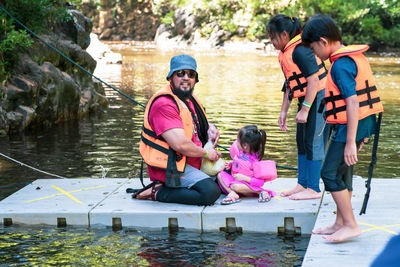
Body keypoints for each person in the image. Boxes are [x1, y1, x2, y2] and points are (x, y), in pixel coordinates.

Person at [302, 14, 383, 242]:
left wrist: (350, 142)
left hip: (353, 123)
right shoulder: (349, 58)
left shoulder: (340, 65)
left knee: (328, 172)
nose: (315, 55)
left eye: (314, 49)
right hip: (361, 122)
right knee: (342, 170)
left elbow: (353, 101)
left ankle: (350, 224)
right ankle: (340, 221)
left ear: (323, 41)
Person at [135, 54, 222, 205]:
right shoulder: (164, 104)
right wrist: (208, 153)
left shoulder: (189, 98)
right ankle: (157, 192)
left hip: (191, 160)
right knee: (210, 192)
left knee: (229, 176)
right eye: (180, 73)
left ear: (196, 79)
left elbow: (193, 123)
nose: (186, 77)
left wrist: (209, 128)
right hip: (170, 168)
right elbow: (180, 145)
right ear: (170, 78)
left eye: (191, 74)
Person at [267, 14, 330, 200]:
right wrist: (283, 111)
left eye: (273, 37)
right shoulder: (286, 53)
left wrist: (305, 108)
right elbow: (290, 83)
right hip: (307, 99)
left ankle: (314, 189)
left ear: (284, 34)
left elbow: (313, 79)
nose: (271, 42)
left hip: (320, 98)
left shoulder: (300, 50)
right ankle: (302, 184)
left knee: (313, 142)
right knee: (301, 141)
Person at [217, 125, 277, 204]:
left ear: (245, 145)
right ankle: (232, 193)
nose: (235, 142)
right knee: (219, 175)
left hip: (246, 185)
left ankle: (260, 192)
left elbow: (260, 182)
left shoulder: (255, 162)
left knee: (235, 187)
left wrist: (244, 178)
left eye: (238, 140)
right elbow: (240, 165)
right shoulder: (241, 153)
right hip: (236, 181)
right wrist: (232, 164)